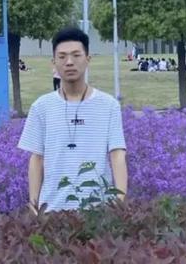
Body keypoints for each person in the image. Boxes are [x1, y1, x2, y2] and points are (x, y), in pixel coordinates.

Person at [18, 27, 127, 214]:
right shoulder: (41, 107)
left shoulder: (108, 105)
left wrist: (120, 200)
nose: (69, 62)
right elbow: (37, 159)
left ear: (88, 59)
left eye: (76, 55)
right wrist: (34, 206)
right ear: (53, 63)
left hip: (99, 212)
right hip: (52, 211)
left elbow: (117, 154)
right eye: (62, 57)